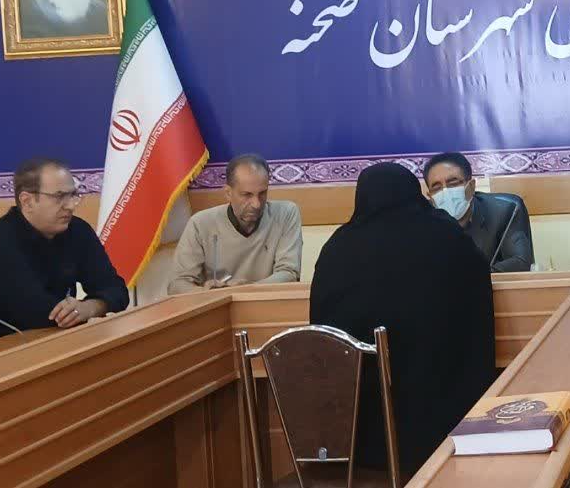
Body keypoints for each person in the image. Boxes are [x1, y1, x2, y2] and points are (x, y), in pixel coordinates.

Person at [311, 162, 494, 479]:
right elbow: (478, 294)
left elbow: (323, 334)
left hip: (362, 440)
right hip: (444, 431)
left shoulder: (337, 249)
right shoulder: (445, 235)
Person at [0, 158, 129, 345]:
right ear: (27, 201)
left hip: (54, 341)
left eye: (73, 195)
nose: (71, 205)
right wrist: (79, 310)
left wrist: (91, 307)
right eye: (59, 197)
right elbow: (40, 315)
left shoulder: (78, 230)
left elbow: (117, 290)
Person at [168, 154, 302, 295]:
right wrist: (206, 292)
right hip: (217, 304)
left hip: (266, 303)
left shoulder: (285, 214)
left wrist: (248, 289)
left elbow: (289, 273)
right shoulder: (200, 224)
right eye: (247, 195)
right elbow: (177, 284)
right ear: (228, 193)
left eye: (262, 193)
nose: (256, 204)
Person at [423, 152, 534, 273]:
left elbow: (520, 262)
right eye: (436, 188)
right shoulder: (423, 221)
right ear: (430, 197)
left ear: (471, 186)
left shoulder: (505, 210)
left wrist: (473, 277)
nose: (446, 192)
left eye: (453, 184)